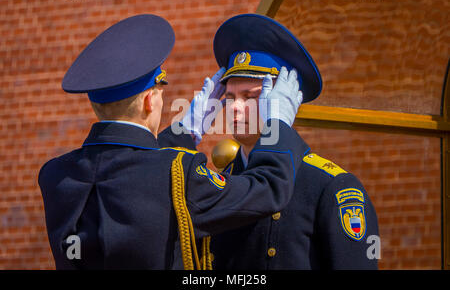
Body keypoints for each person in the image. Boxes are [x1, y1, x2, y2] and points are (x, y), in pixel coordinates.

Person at [37, 14, 307, 269]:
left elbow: (133, 170)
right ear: (148, 101)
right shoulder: (179, 173)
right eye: (159, 92)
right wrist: (278, 124)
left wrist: (185, 131)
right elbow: (269, 188)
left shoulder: (55, 175)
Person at [210, 13, 379, 269]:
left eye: (250, 96)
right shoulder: (222, 181)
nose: (235, 107)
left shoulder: (330, 186)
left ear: (282, 100)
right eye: (231, 97)